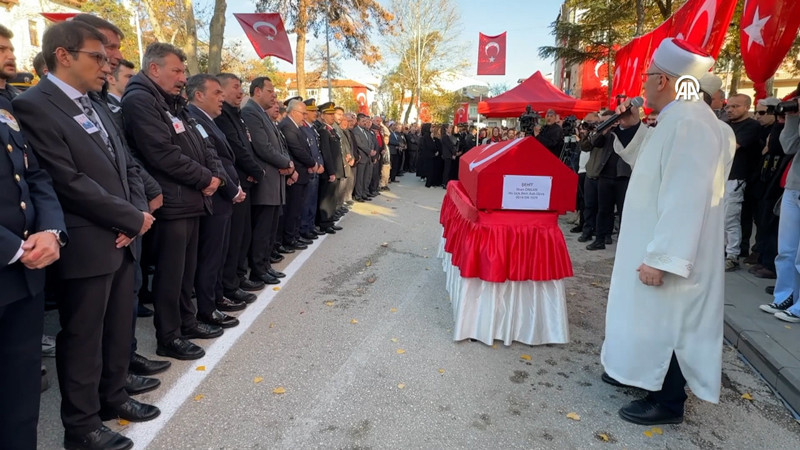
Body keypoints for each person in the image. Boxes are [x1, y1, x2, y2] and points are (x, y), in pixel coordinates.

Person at [14, 21, 163, 449]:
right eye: (98, 56)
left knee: (118, 327)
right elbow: (66, 180)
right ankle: (81, 427)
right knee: (83, 337)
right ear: (64, 55)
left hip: (121, 233)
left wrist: (135, 211)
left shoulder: (93, 103)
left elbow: (124, 163)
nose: (108, 63)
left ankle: (113, 397)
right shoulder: (34, 105)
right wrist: (128, 218)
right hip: (87, 239)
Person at [601, 38, 735, 425]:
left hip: (674, 252)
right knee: (649, 318)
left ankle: (667, 401)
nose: (642, 86)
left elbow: (687, 197)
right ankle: (639, 374)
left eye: (646, 77)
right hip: (655, 241)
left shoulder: (691, 122)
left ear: (662, 80)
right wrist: (629, 129)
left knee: (671, 323)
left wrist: (662, 258)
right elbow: (649, 161)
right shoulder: (680, 117)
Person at [123, 42, 226, 361]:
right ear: (154, 69)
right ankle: (168, 336)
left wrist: (214, 174)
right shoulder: (140, 100)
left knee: (185, 271)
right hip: (173, 201)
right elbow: (162, 154)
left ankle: (186, 322)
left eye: (184, 71)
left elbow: (203, 142)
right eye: (177, 70)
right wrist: (205, 178)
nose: (183, 77)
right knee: (170, 274)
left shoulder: (173, 103)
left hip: (192, 199)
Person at [0, 24, 66, 450]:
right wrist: (12, 248)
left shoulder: (7, 107)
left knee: (20, 394)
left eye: (8, 44)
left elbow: (36, 176)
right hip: (10, 259)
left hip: (25, 273)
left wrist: (50, 231)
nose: (9, 51)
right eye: (0, 47)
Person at [186, 74, 246, 329]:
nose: (222, 98)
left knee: (219, 253)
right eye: (217, 93)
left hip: (224, 195)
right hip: (217, 196)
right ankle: (207, 309)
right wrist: (231, 188)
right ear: (199, 95)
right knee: (210, 256)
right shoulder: (193, 118)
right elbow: (213, 161)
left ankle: (216, 298)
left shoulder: (208, 120)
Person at [214, 73, 266, 303]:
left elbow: (247, 145)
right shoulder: (222, 116)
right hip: (234, 184)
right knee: (233, 239)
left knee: (242, 236)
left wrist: (253, 171)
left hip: (244, 182)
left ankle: (236, 277)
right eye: (236, 87)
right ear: (222, 90)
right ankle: (229, 284)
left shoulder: (235, 115)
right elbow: (236, 149)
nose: (240, 92)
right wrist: (256, 170)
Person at [241, 78, 294, 284]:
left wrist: (286, 162)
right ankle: (257, 269)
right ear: (257, 91)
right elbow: (263, 147)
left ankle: (264, 265)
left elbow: (276, 146)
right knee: (262, 229)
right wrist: (287, 162)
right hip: (265, 181)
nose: (274, 95)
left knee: (270, 228)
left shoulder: (261, 113)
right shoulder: (250, 112)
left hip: (275, 179)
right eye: (270, 91)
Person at [762, 96, 800, 322]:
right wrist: (793, 118)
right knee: (786, 250)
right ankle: (784, 296)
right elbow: (789, 146)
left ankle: (798, 306)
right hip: (793, 187)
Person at [724, 93, 762, 271]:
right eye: (728, 106)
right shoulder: (725, 125)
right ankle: (722, 252)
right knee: (718, 219)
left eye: (735, 106)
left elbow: (733, 147)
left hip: (737, 178)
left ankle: (732, 255)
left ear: (747, 107)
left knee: (729, 219)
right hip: (721, 177)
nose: (730, 110)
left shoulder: (752, 126)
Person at [279, 99, 318, 250]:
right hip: (295, 174)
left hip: (302, 173)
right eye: (303, 113)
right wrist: (312, 163)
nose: (304, 116)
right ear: (294, 112)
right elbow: (297, 150)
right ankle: (290, 238)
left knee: (297, 209)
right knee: (292, 209)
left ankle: (295, 236)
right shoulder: (288, 127)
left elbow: (304, 148)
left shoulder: (296, 127)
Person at [315, 102, 345, 234]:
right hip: (329, 171)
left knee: (333, 197)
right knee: (326, 198)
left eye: (333, 114)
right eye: (329, 114)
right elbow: (326, 153)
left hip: (336, 169)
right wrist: (331, 171)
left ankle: (330, 221)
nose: (332, 117)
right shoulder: (323, 131)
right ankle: (324, 223)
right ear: (322, 116)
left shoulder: (331, 130)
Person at [352, 113, 375, 201]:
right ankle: (358, 195)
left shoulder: (366, 131)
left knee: (366, 177)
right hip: (362, 156)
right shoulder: (356, 131)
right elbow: (359, 144)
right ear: (358, 122)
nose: (365, 123)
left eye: (366, 121)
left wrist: (372, 150)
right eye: (363, 121)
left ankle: (364, 193)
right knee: (360, 178)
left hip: (368, 157)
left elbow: (371, 142)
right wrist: (369, 151)